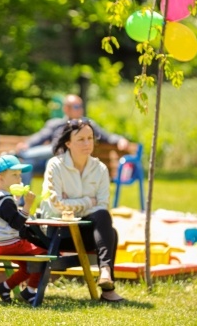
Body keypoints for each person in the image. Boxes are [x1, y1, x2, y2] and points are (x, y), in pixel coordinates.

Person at [40, 117, 125, 302]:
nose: (87, 143)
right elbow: (56, 204)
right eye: (81, 139)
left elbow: (102, 205)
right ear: (68, 143)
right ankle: (108, 289)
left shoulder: (100, 169)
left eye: (90, 138)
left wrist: (72, 202)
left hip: (83, 231)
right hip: (57, 233)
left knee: (105, 220)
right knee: (109, 231)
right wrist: (88, 201)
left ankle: (105, 273)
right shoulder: (55, 165)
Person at [16, 94, 129, 184]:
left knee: (51, 149)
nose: (80, 109)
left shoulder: (86, 124)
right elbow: (40, 136)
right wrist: (27, 144)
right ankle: (21, 202)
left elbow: (106, 136)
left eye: (80, 106)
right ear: (66, 109)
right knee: (27, 164)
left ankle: (20, 154)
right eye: (76, 107)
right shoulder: (56, 124)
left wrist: (120, 140)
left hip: (68, 158)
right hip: (50, 160)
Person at [0, 155, 47, 305]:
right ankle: (30, 291)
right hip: (10, 243)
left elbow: (3, 217)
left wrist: (16, 201)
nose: (19, 179)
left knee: (26, 267)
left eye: (19, 175)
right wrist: (27, 206)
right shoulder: (6, 200)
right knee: (44, 256)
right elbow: (17, 224)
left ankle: (4, 287)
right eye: (14, 175)